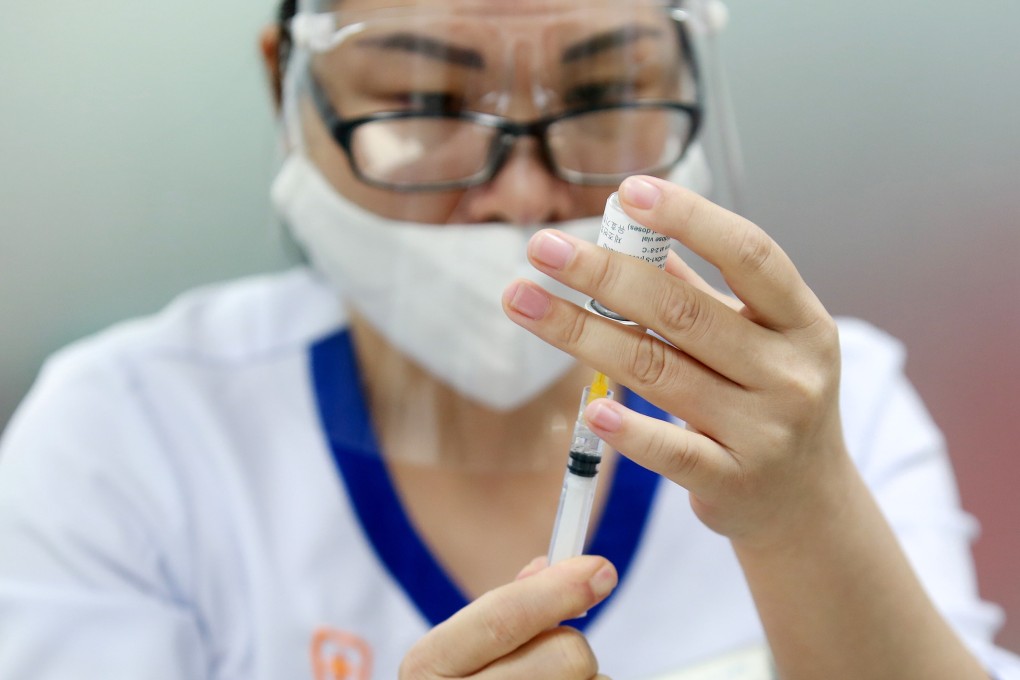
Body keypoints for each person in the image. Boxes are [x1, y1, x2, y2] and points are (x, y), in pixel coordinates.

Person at [0, 0, 1017, 678]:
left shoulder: (831, 412)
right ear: (290, 89)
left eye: (604, 95)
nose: (522, 195)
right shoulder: (127, 439)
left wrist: (805, 509)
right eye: (426, 102)